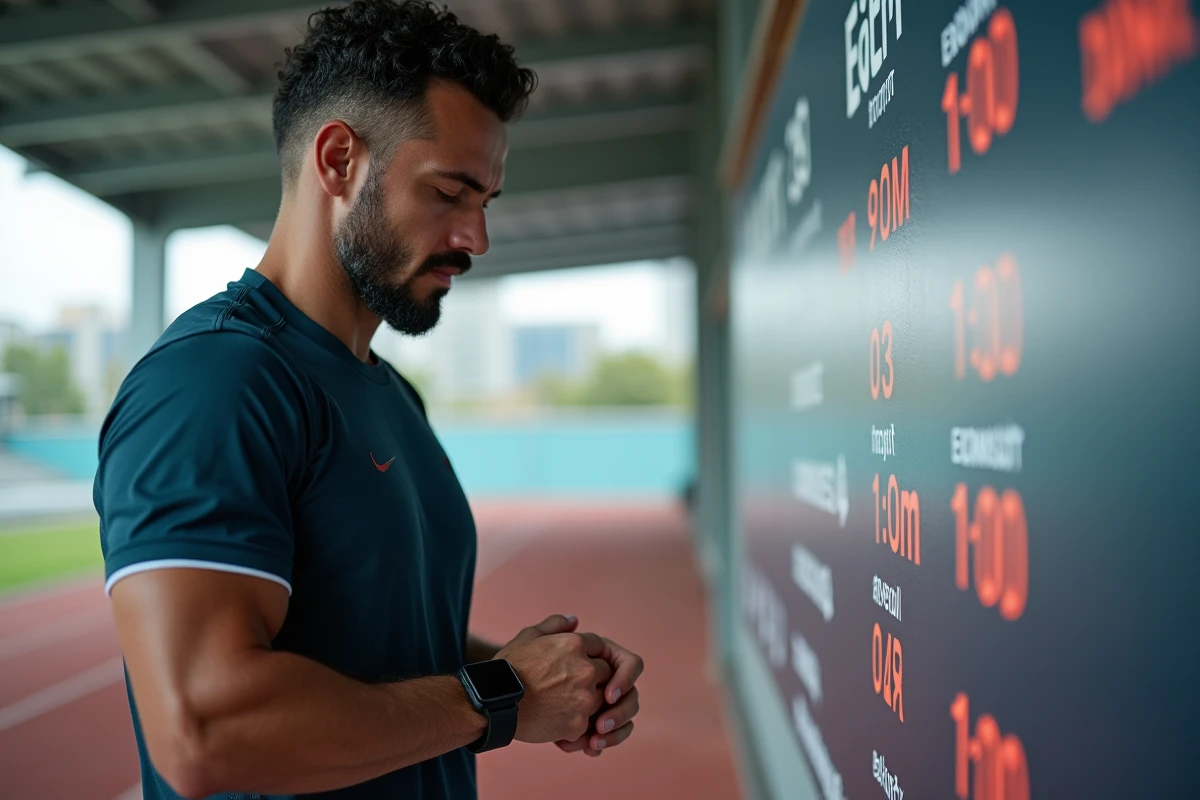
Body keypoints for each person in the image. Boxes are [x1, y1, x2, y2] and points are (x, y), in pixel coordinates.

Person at [93, 2, 645, 797]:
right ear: (339, 160)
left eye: (485, 201)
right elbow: (205, 732)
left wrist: (545, 675)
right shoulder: (213, 385)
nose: (476, 239)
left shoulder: (390, 393)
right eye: (450, 192)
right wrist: (500, 697)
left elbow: (375, 632)